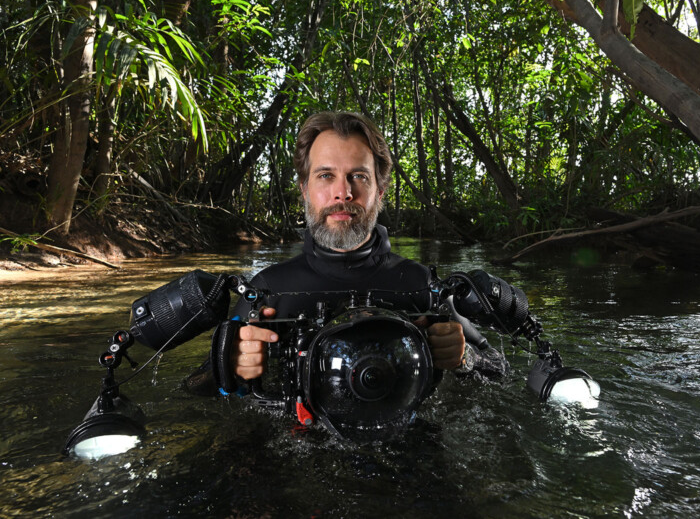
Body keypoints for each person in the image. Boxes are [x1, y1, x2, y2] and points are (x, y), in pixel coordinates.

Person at [186, 112, 506, 398]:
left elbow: (499, 372)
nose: (343, 192)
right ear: (304, 190)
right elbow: (192, 391)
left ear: (379, 191)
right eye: (326, 175)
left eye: (359, 176)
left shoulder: (423, 286)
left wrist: (464, 359)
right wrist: (228, 367)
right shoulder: (267, 291)